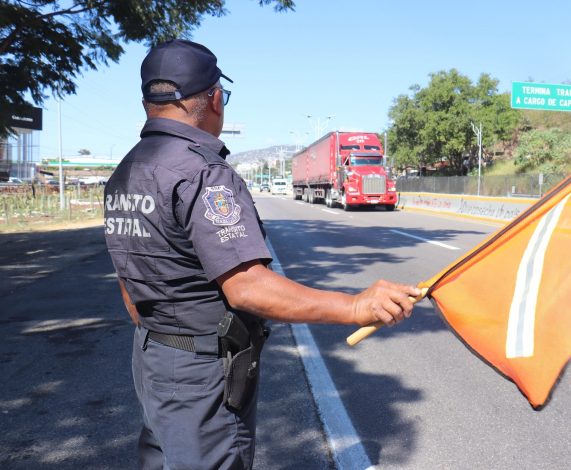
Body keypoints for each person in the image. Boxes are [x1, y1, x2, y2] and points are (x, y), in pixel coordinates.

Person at [103, 39, 420, 470]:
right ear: (215, 98)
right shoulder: (202, 173)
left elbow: (129, 279)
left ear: (147, 101)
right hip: (201, 374)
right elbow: (247, 287)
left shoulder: (127, 171)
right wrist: (355, 306)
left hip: (154, 358)